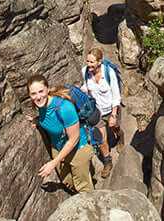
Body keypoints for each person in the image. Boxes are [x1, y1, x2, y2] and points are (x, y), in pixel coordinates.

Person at [28, 74, 94, 193]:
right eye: (33, 93)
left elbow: (74, 138)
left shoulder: (64, 107)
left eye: (41, 91)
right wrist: (38, 120)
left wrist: (54, 163)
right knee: (67, 181)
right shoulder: (38, 104)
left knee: (83, 187)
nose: (38, 97)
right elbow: (48, 116)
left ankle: (92, 208)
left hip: (78, 149)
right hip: (58, 147)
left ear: (47, 90)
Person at [81, 48, 122, 179]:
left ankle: (120, 136)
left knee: (114, 128)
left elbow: (116, 95)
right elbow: (86, 88)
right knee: (101, 140)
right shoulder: (85, 72)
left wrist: (114, 115)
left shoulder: (109, 73)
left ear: (99, 62)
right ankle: (107, 162)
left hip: (111, 109)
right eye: (87, 61)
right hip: (97, 111)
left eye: (92, 62)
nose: (89, 64)